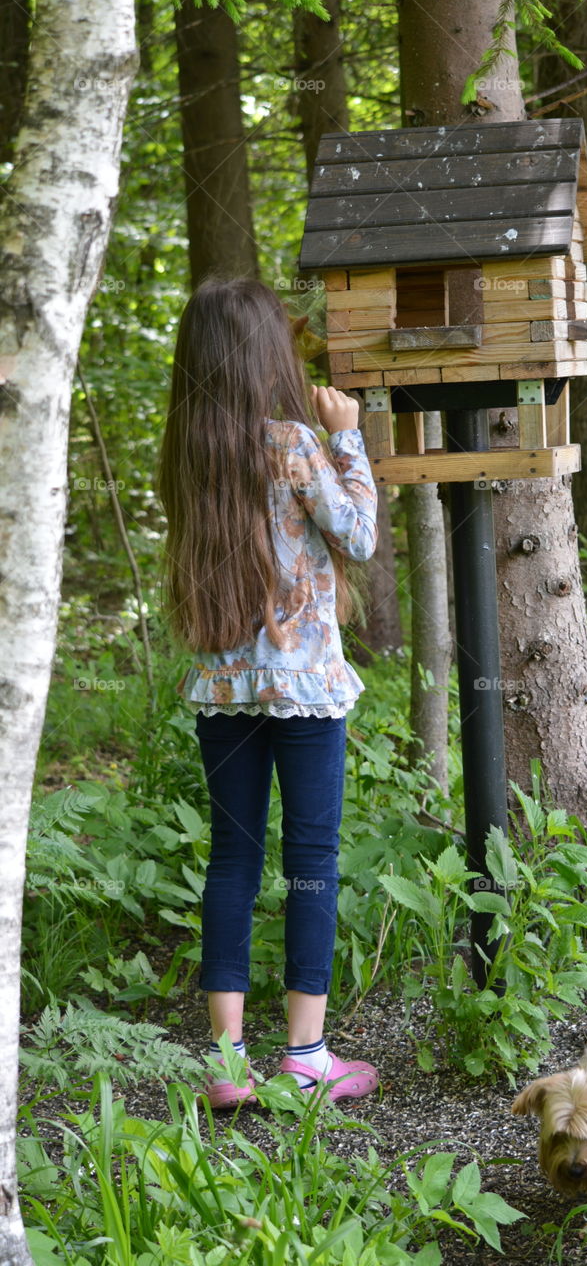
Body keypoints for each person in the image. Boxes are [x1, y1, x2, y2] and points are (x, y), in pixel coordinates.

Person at [157, 278, 379, 1108]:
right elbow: (354, 533)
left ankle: (225, 1064)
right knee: (312, 862)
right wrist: (348, 439)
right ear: (262, 357)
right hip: (306, 686)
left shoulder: (188, 449)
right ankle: (306, 1054)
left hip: (223, 685)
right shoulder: (292, 440)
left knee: (232, 861)